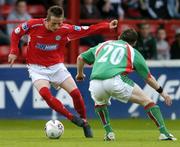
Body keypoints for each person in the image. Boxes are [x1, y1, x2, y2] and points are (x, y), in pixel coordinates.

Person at [8, 5, 118, 138]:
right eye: (54, 24)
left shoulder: (65, 29)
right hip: (36, 68)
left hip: (57, 66)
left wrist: (107, 26)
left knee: (76, 94)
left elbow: (88, 29)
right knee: (45, 94)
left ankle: (84, 122)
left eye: (60, 23)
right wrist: (14, 51)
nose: (57, 27)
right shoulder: (33, 24)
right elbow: (16, 33)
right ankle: (72, 118)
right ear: (46, 20)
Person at [76, 28, 177, 141]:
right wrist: (163, 93)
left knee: (100, 104)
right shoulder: (133, 51)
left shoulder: (103, 44)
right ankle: (164, 133)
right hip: (115, 80)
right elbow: (148, 78)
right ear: (134, 43)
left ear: (119, 37)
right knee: (148, 101)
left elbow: (80, 58)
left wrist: (80, 74)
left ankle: (109, 133)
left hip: (95, 83)